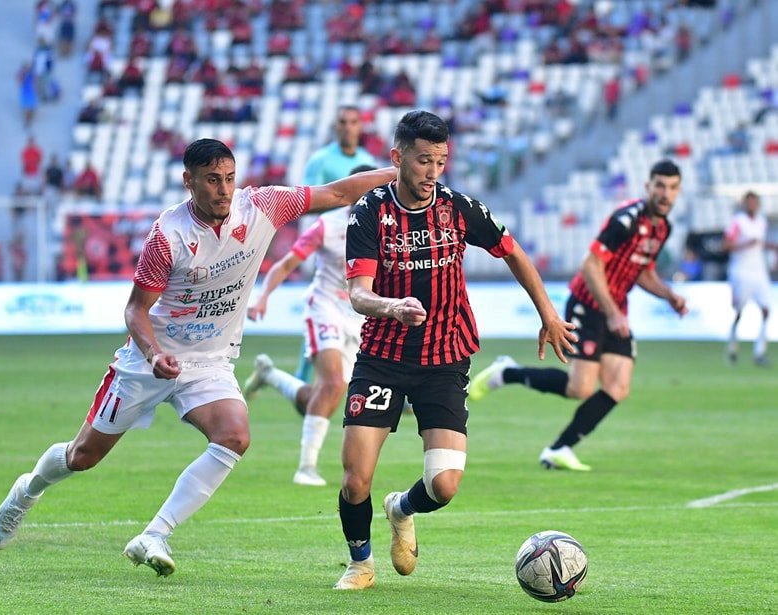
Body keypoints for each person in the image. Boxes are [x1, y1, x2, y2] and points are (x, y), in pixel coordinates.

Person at [0, 138, 396, 576]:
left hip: (209, 362)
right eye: (212, 180)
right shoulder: (169, 234)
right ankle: (28, 490)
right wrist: (152, 353)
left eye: (229, 179)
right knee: (83, 456)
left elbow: (339, 192)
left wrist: (406, 170)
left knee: (235, 436)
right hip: (149, 361)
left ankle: (155, 533)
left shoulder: (262, 207)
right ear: (189, 182)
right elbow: (135, 310)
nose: (223, 190)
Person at [332, 111, 576, 590]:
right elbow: (358, 294)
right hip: (383, 356)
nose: (432, 172)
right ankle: (360, 563)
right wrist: (392, 306)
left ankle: (401, 508)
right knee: (356, 479)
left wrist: (547, 312)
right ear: (398, 157)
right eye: (424, 161)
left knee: (444, 486)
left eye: (441, 161)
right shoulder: (369, 213)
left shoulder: (459, 208)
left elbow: (513, 251)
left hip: (445, 358)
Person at [469, 159, 688, 472]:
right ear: (648, 187)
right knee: (581, 388)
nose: (665, 194)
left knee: (617, 386)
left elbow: (643, 271)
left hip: (615, 311)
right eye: (660, 186)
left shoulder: (663, 228)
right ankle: (508, 373)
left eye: (672, 188)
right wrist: (612, 312)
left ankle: (559, 448)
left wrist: (670, 296)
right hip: (589, 304)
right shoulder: (626, 220)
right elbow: (591, 265)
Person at [244, 164, 376, 487]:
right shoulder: (327, 226)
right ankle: (306, 467)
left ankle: (269, 375)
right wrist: (262, 297)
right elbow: (288, 262)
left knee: (318, 400)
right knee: (331, 384)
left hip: (357, 315)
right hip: (324, 307)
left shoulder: (384, 227)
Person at [291, 105, 376, 383]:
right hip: (331, 239)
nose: (348, 127)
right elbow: (307, 200)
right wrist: (331, 224)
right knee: (325, 300)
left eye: (353, 122)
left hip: (362, 239)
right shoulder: (320, 160)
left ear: (360, 126)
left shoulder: (367, 160)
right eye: (343, 122)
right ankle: (304, 378)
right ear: (335, 126)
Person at [722, 191, 777, 366]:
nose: (752, 206)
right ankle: (732, 345)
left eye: (754, 202)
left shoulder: (761, 222)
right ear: (744, 204)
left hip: (759, 271)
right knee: (739, 311)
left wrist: (772, 247)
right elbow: (726, 245)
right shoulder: (737, 222)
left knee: (766, 310)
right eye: (749, 202)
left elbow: (759, 244)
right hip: (741, 271)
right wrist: (745, 244)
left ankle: (759, 352)